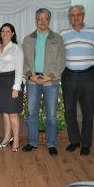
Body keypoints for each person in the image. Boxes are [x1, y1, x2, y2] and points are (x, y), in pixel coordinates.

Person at [22, 8, 65, 156]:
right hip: (33, 81)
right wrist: (30, 76)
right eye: (39, 19)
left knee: (52, 115)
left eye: (45, 19)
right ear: (36, 20)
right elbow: (24, 62)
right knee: (32, 113)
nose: (42, 21)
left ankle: (51, 143)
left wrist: (50, 76)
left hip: (50, 81)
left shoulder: (57, 39)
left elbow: (61, 62)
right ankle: (32, 142)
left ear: (49, 20)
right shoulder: (28, 39)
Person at [60, 5, 94, 156]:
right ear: (69, 17)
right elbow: (58, 54)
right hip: (69, 75)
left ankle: (86, 143)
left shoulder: (93, 32)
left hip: (87, 75)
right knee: (69, 110)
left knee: (88, 111)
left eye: (79, 15)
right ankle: (74, 141)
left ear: (83, 16)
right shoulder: (63, 33)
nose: (76, 17)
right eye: (73, 15)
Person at [0, 23, 23, 152]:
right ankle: (7, 136)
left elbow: (19, 69)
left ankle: (16, 139)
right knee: (4, 112)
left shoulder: (16, 48)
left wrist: (16, 87)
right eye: (2, 31)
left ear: (13, 33)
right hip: (0, 81)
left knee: (13, 113)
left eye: (8, 31)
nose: (5, 33)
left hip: (12, 80)